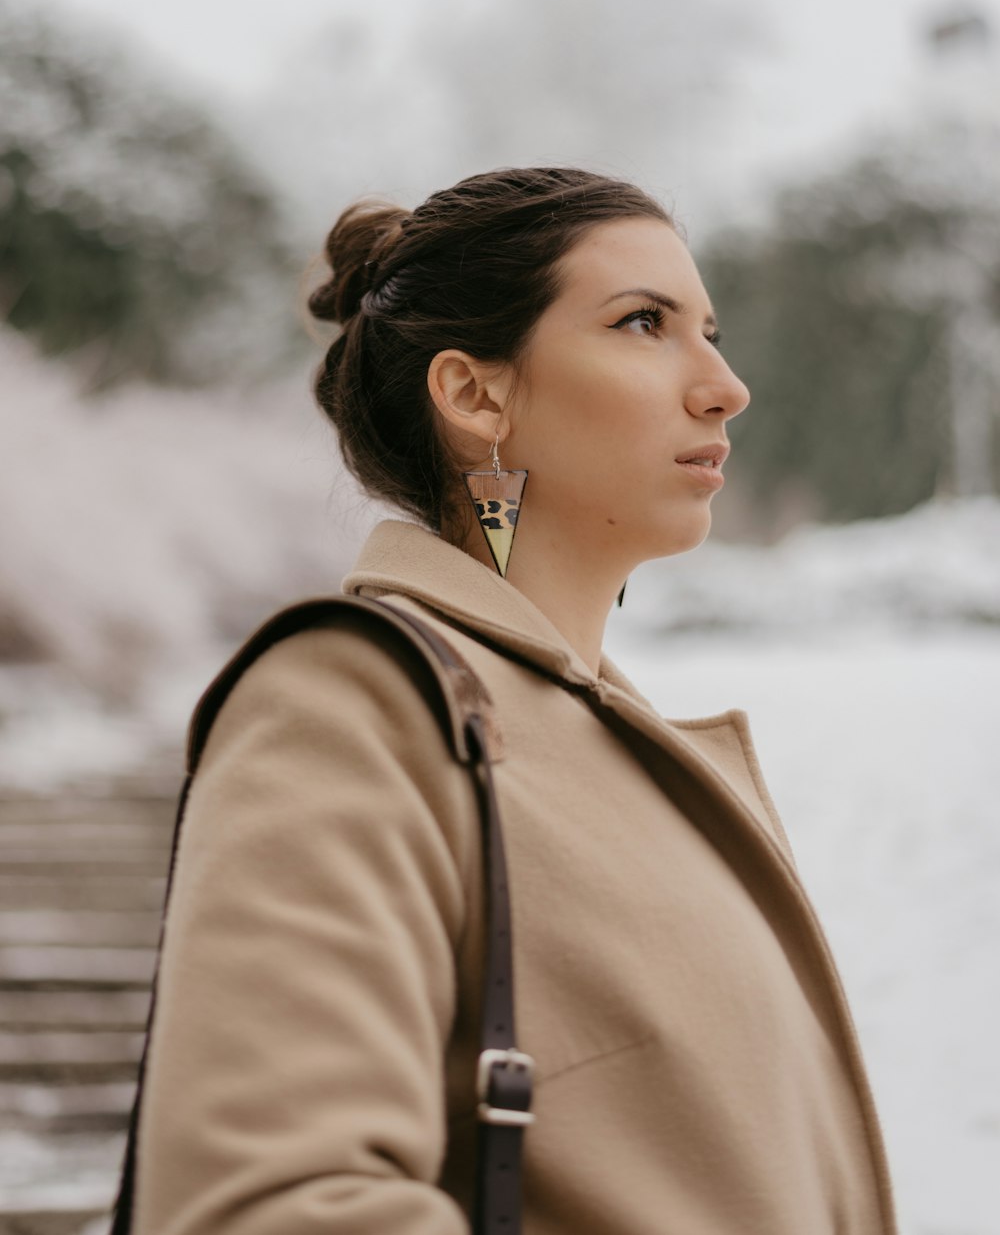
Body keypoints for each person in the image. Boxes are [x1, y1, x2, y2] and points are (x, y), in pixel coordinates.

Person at [131, 166, 898, 1233]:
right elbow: (272, 1206)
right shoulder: (357, 707)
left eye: (709, 329)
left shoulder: (607, 744)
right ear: (474, 395)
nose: (725, 384)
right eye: (643, 323)